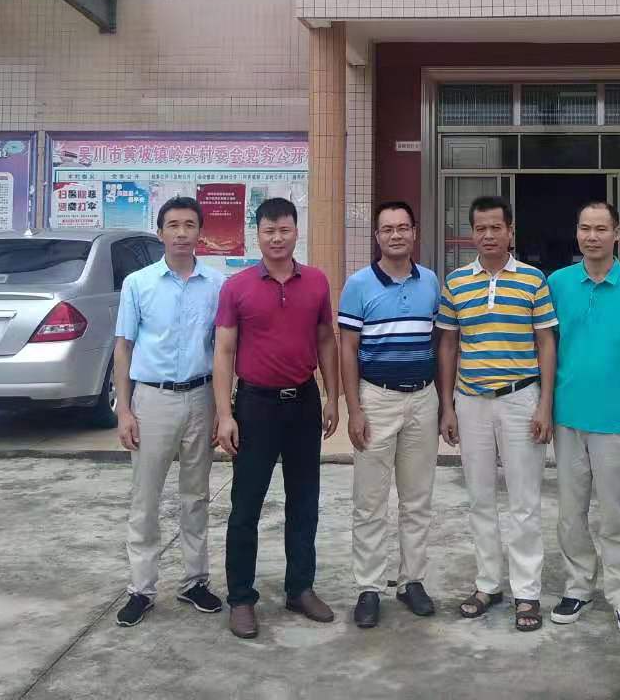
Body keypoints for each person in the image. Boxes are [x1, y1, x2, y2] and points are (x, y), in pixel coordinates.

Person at [212, 197, 341, 640]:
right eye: (269, 231)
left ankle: (300, 588)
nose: (277, 238)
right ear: (258, 235)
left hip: (303, 401)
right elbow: (224, 350)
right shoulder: (238, 287)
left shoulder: (317, 282)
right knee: (246, 505)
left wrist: (332, 397)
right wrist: (224, 414)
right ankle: (241, 598)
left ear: (296, 231)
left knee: (304, 501)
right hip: (255, 406)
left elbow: (326, 340)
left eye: (284, 230)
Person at [437, 195, 557, 633]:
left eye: (496, 228)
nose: (488, 235)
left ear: (510, 232)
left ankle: (527, 592)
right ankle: (488, 584)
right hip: (471, 402)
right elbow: (448, 344)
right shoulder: (456, 283)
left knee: (524, 501)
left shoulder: (533, 280)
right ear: (472, 233)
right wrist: (447, 405)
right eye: (480, 228)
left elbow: (545, 341)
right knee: (480, 498)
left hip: (520, 399)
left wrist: (544, 403)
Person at [547, 201, 620, 637]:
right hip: (567, 417)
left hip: (617, 419)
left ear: (616, 234)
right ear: (576, 233)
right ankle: (578, 586)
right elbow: (547, 347)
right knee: (570, 511)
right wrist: (545, 406)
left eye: (600, 229)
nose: (592, 236)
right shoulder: (557, 283)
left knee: (618, 512)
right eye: (585, 228)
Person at [113, 196, 227, 628]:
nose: (181, 233)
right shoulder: (138, 284)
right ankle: (141, 589)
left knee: (196, 496)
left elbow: (223, 350)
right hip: (152, 399)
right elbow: (124, 348)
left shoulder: (217, 285)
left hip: (201, 397)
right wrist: (125, 411)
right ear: (160, 232)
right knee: (146, 497)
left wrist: (223, 408)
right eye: (173, 225)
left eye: (189, 225)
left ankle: (195, 581)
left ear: (201, 233)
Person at [338, 201, 443, 628]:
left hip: (422, 399)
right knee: (370, 500)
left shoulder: (430, 282)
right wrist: (354, 409)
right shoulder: (358, 285)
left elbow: (436, 340)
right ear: (377, 237)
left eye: (403, 227)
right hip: (376, 400)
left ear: (414, 233)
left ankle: (411, 580)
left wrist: (442, 401)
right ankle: (369, 587)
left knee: (417, 498)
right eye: (387, 229)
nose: (396, 235)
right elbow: (347, 348)